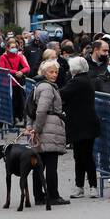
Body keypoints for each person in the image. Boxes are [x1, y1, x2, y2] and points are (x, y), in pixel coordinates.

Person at [28, 59, 70, 206]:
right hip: (48, 128)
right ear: (44, 72)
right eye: (51, 72)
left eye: (56, 72)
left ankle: (39, 196)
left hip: (44, 128)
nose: (54, 75)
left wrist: (32, 128)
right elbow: (41, 110)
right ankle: (53, 195)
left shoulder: (39, 86)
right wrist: (37, 130)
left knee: (40, 165)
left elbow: (31, 110)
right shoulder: (47, 88)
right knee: (50, 165)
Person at [60, 57, 100, 198]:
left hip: (81, 125)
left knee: (84, 157)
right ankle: (82, 186)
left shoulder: (77, 81)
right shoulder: (85, 79)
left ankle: (89, 186)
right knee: (82, 156)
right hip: (85, 124)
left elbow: (62, 93)